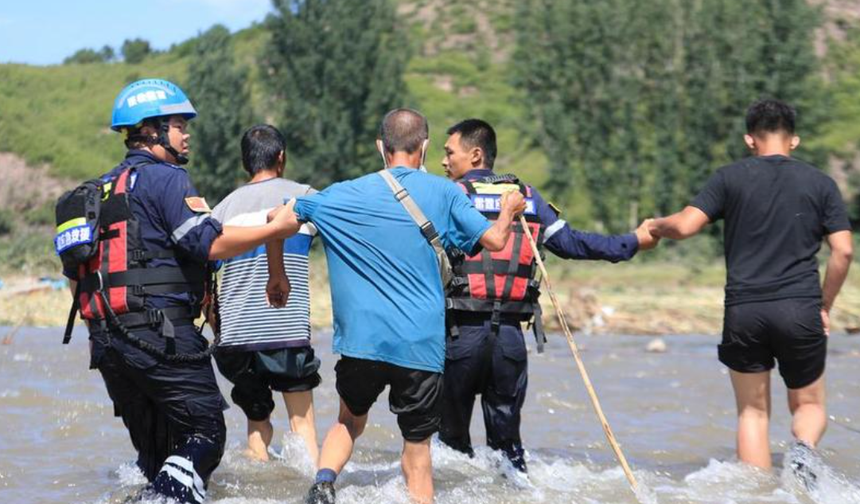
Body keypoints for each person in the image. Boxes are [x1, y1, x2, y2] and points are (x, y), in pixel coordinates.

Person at [263, 109, 526, 504]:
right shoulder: (446, 192)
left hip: (361, 342)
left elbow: (275, 217)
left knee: (348, 422)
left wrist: (277, 274)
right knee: (417, 450)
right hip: (420, 344)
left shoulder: (338, 194)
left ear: (379, 148)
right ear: (423, 147)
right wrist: (508, 211)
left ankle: (323, 484)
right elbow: (494, 241)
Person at [58, 79, 297, 504]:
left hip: (108, 344)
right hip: (160, 335)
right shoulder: (167, 179)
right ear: (150, 130)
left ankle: (155, 492)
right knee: (207, 432)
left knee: (157, 457)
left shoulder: (100, 190)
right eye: (179, 124)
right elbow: (210, 244)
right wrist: (276, 229)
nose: (187, 133)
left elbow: (77, 277)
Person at [438, 118, 659, 473]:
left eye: (449, 153)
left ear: (475, 154)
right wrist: (632, 242)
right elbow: (572, 244)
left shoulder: (449, 196)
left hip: (459, 337)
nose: (444, 162)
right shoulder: (526, 197)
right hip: (509, 340)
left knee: (449, 450)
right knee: (508, 453)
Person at [649, 99, 853, 477]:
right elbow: (843, 251)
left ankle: (753, 492)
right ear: (794, 140)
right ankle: (804, 451)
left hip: (745, 311)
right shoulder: (821, 183)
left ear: (749, 139)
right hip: (800, 308)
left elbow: (685, 227)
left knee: (752, 413)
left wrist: (655, 225)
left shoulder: (729, 178)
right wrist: (824, 304)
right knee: (809, 405)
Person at [211, 124, 321, 464]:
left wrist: (217, 329)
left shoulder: (222, 210)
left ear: (246, 162)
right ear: (281, 157)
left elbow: (204, 278)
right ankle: (314, 489)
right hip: (284, 332)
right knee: (302, 424)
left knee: (257, 429)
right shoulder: (306, 196)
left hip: (235, 339)